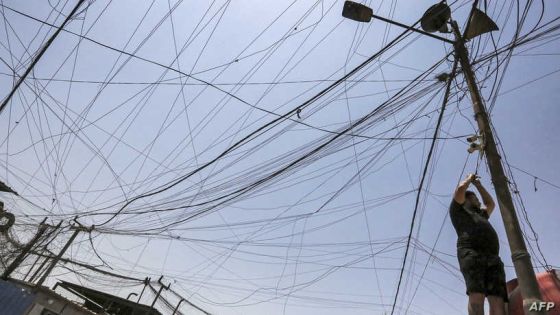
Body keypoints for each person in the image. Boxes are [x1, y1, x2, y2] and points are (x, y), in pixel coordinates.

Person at [450, 173, 508, 315]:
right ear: (467, 199)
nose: (479, 201)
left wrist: (479, 185)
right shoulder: (459, 210)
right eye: (476, 198)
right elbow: (460, 190)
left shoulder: (481, 214)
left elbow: (490, 203)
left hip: (493, 257)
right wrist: (470, 179)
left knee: (497, 297)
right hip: (471, 254)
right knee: (477, 294)